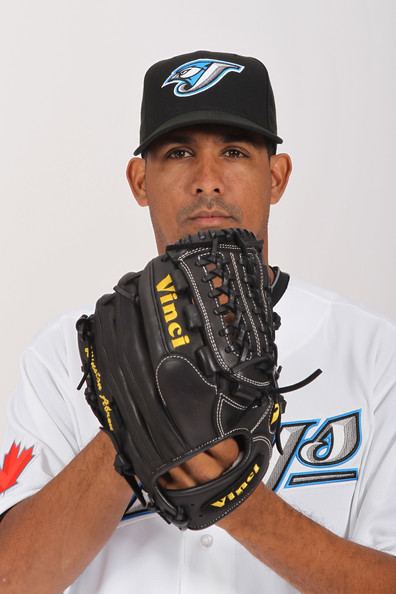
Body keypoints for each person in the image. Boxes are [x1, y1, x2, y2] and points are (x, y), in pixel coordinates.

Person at [0, 50, 395, 594]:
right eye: (179, 152)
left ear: (276, 177)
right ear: (140, 180)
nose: (207, 181)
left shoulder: (372, 351)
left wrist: (235, 496)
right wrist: (130, 423)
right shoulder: (66, 355)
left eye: (233, 151)